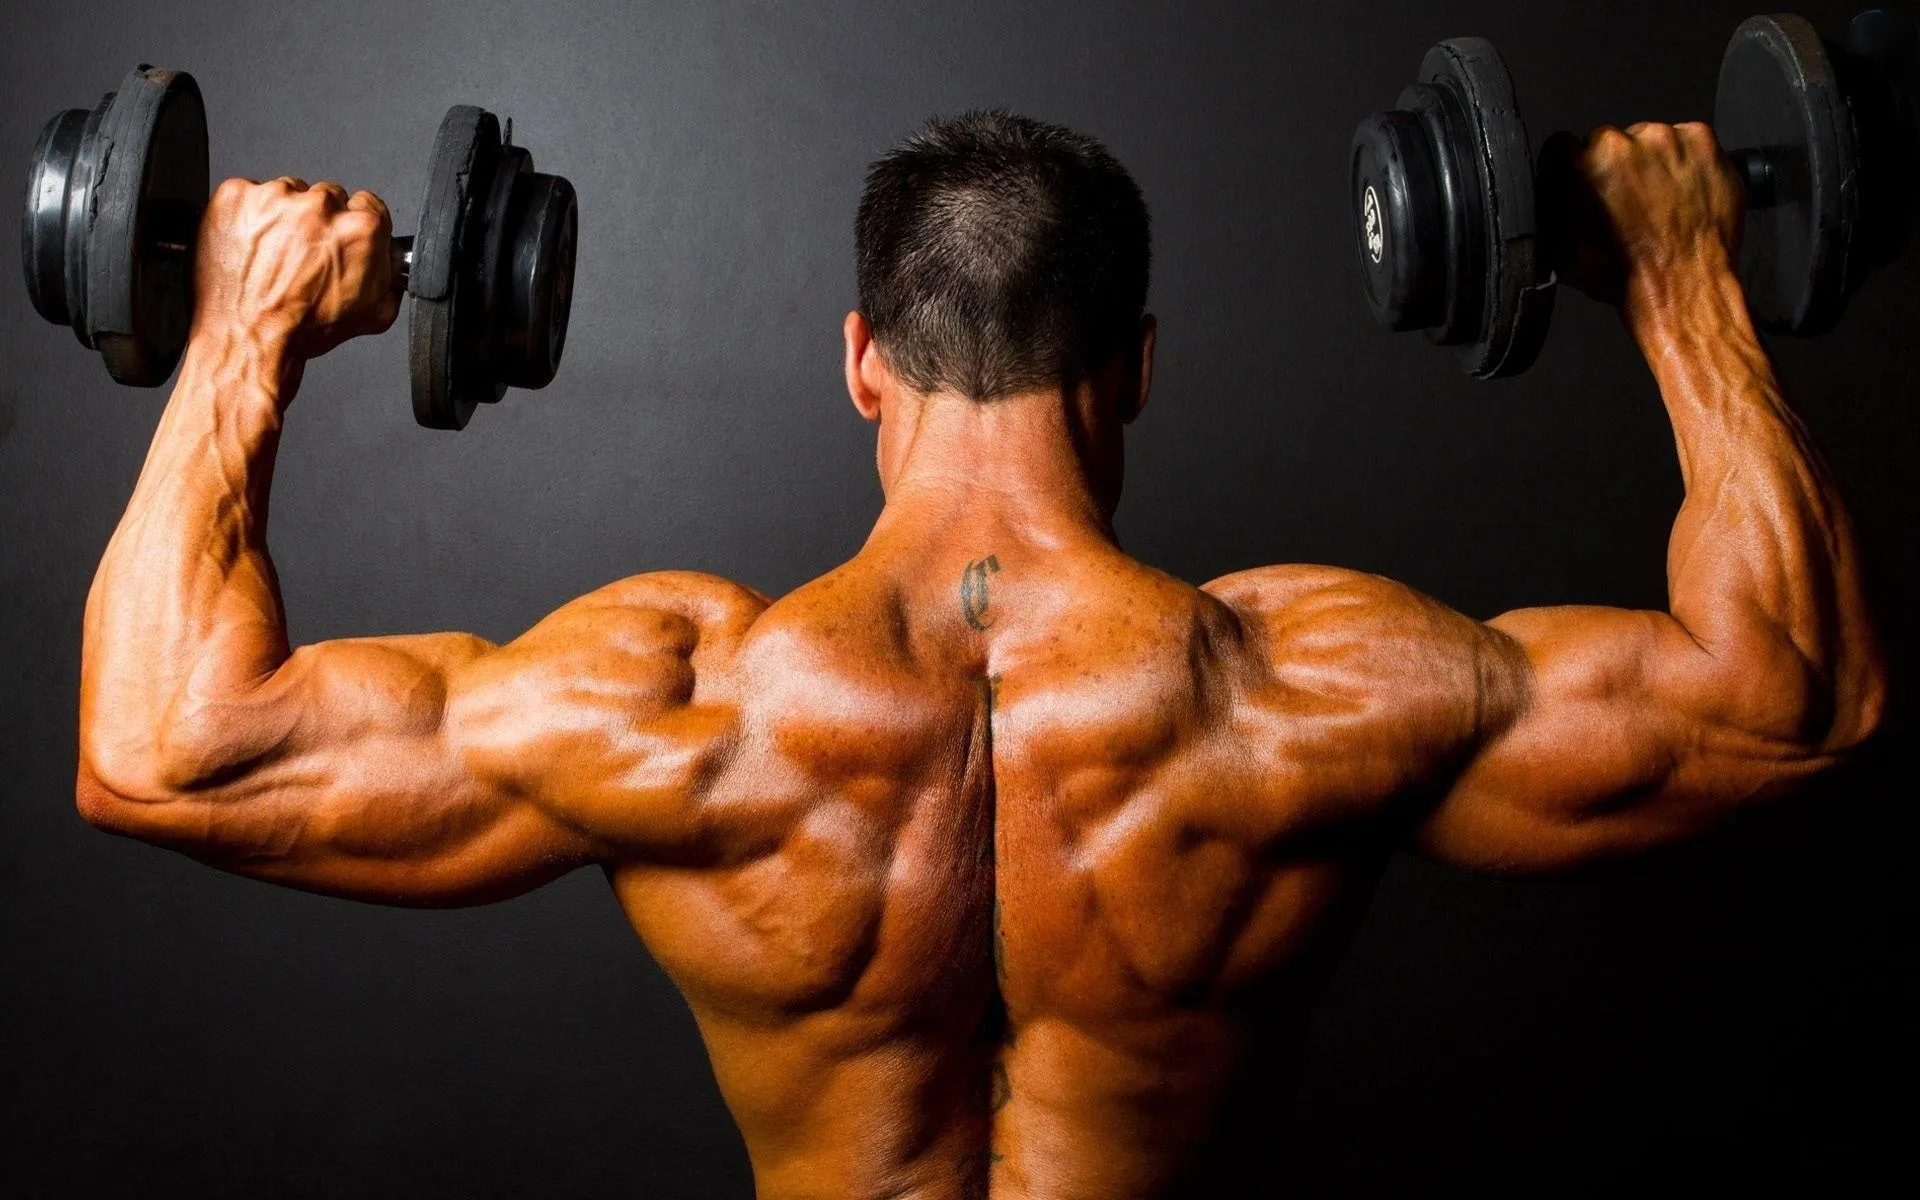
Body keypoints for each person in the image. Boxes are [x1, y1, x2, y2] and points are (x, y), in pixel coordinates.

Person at [73, 110, 1882, 1199]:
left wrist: (247, 332)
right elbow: (1794, 700)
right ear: (1140, 367)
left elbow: (161, 748)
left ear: (865, 359)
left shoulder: (685, 712)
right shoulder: (1306, 689)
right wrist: (1682, 278)